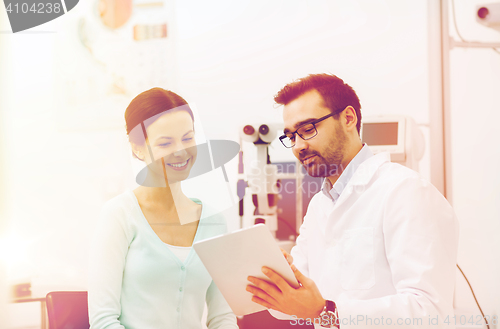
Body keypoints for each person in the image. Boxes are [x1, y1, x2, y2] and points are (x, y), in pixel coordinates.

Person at [246, 74, 459, 328]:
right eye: (291, 136)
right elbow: (292, 307)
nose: (298, 146)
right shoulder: (318, 206)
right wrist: (278, 277)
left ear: (348, 118)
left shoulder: (405, 191)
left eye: (307, 129)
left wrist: (328, 311)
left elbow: (430, 311)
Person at [88, 88, 238, 329]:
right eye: (165, 142)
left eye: (188, 138)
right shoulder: (119, 215)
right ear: (137, 148)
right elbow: (103, 321)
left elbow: (222, 318)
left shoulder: (214, 221)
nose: (180, 151)